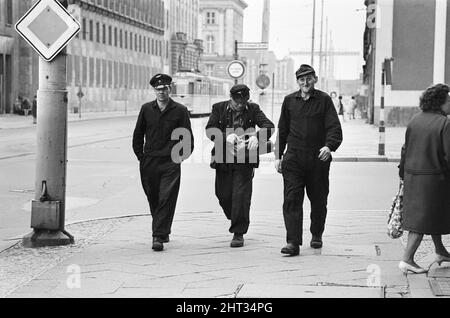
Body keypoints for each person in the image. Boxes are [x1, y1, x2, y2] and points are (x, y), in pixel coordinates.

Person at [274, 64, 343, 256]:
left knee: (319, 200)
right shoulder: (289, 101)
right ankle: (292, 242)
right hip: (293, 158)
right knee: (291, 200)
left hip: (317, 159)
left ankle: (316, 234)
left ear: (315, 79)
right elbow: (282, 130)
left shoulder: (324, 100)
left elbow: (334, 127)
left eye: (309, 78)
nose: (305, 82)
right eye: (301, 79)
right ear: (297, 82)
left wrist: (329, 146)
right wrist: (278, 156)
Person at [206, 84, 275, 248]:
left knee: (241, 196)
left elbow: (269, 126)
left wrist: (257, 137)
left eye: (243, 102)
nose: (240, 105)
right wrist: (225, 136)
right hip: (224, 158)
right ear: (231, 99)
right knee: (223, 195)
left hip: (245, 159)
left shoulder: (253, 108)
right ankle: (235, 215)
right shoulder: (219, 108)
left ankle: (238, 232)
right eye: (237, 102)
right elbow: (210, 130)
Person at [132, 74, 194, 252]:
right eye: (158, 89)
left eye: (164, 89)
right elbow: (138, 135)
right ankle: (163, 229)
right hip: (149, 162)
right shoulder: (146, 109)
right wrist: (141, 157)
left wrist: (179, 158)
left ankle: (157, 236)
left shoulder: (180, 110)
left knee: (166, 198)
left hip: (170, 162)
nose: (161, 92)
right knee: (153, 198)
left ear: (170, 89)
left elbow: (187, 138)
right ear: (154, 91)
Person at [398, 83, 450, 274]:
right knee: (421, 221)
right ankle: (407, 259)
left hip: (413, 176)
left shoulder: (415, 120)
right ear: (440, 102)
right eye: (449, 100)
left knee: (431, 215)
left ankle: (440, 251)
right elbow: (448, 155)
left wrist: (402, 174)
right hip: (434, 180)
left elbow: (405, 150)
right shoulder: (445, 123)